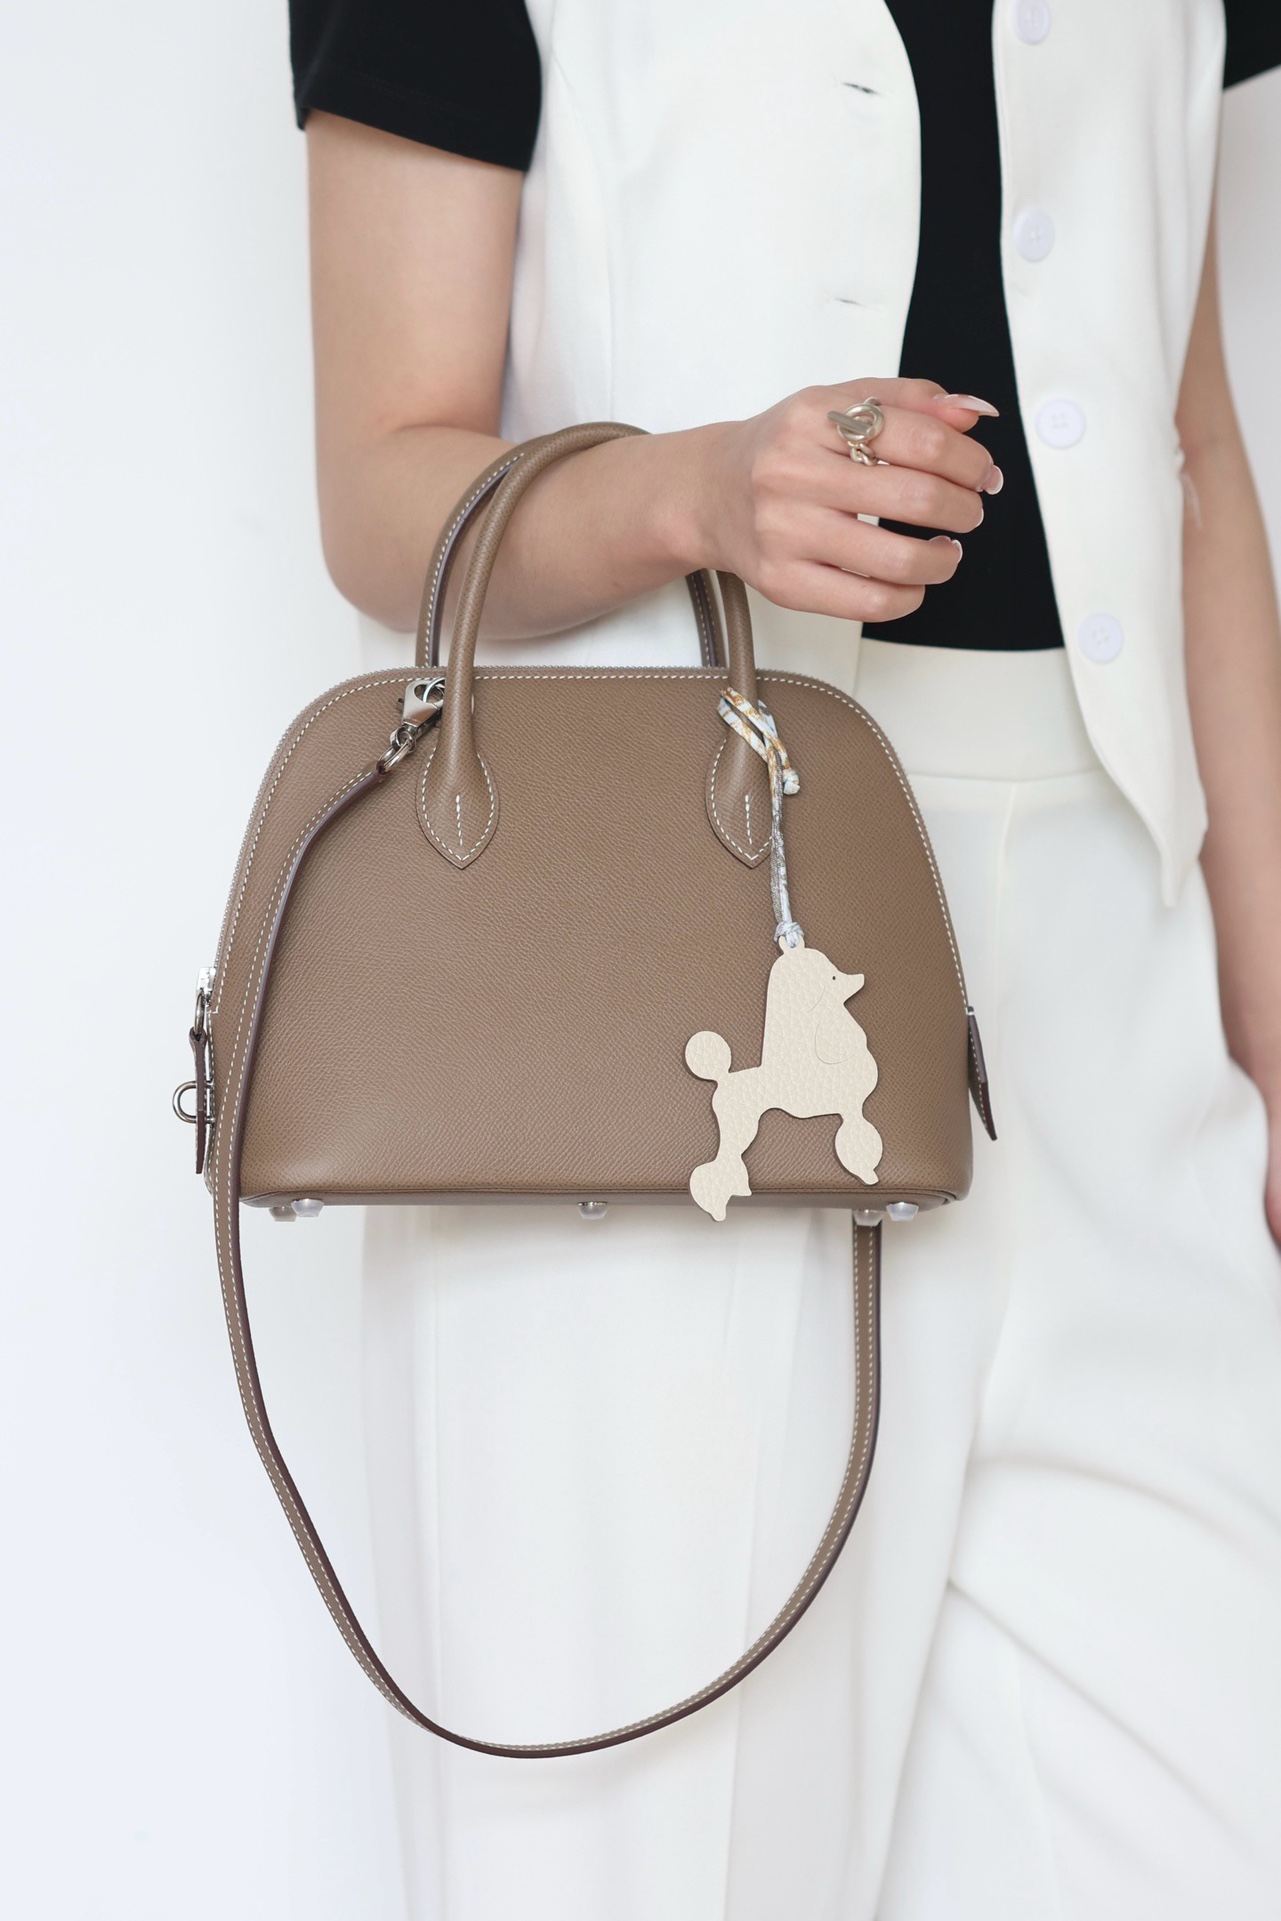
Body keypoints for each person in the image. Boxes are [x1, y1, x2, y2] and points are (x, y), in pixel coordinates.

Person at [287, 3, 1281, 1915]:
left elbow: (1192, 448)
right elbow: (384, 479)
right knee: (641, 1868)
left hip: (1117, 972)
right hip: (663, 986)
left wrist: (1266, 1025)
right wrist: (692, 491)